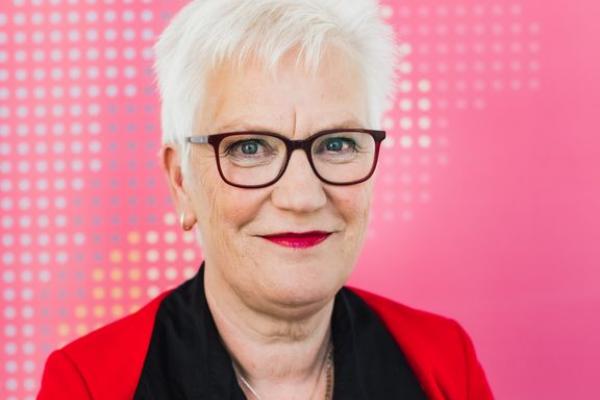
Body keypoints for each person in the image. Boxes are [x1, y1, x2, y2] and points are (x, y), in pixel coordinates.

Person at [37, 0, 494, 399]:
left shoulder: (443, 362)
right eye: (250, 147)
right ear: (181, 182)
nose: (301, 196)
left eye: (336, 144)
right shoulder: (91, 384)